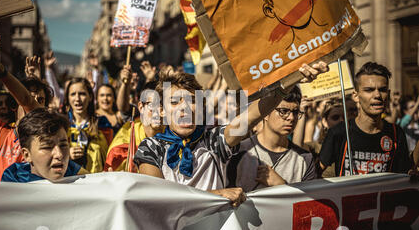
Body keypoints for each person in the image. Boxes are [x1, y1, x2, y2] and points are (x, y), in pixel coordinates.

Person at [134, 62, 328, 207]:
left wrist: (289, 82)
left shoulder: (214, 141)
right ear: (161, 111)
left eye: (191, 101)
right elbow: (158, 198)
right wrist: (215, 195)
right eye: (175, 102)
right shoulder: (150, 147)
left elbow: (253, 115)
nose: (184, 108)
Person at [0, 28, 47, 181]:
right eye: (31, 98)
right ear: (15, 105)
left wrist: (0, 70)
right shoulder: (0, 134)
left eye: (41, 101)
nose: (33, 105)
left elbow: (27, 100)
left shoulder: (48, 137)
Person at [319, 62, 413, 176]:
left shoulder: (396, 133)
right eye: (369, 90)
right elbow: (314, 174)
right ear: (356, 96)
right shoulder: (340, 132)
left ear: (388, 94)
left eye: (382, 90)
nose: (377, 95)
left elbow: (404, 175)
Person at [226, 86, 318, 192]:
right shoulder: (238, 152)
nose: (291, 118)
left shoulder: (305, 158)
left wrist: (281, 185)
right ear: (265, 113)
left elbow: (309, 205)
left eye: (296, 112)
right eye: (283, 111)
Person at [2, 109, 88, 182]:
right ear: (27, 155)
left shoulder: (85, 183)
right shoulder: (9, 191)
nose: (59, 155)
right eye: (47, 147)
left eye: (63, 145)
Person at [104, 80, 165, 172]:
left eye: (163, 105)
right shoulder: (123, 145)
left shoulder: (176, 138)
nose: (158, 111)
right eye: (152, 105)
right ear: (141, 107)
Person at [64, 77, 112, 173]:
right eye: (73, 94)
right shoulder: (62, 125)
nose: (77, 99)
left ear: (90, 96)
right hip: (70, 182)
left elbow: (111, 155)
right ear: (68, 98)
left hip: (96, 182)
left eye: (82, 94)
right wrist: (66, 154)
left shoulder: (102, 123)